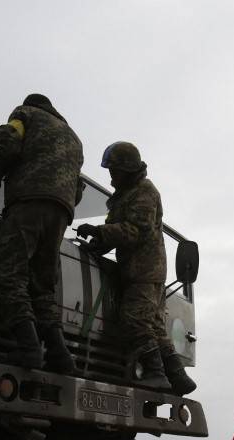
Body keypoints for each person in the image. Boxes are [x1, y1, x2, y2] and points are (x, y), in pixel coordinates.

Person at [76, 141, 195, 394]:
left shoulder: (144, 192)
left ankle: (155, 374)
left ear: (128, 169)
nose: (112, 176)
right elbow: (116, 230)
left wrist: (100, 231)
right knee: (152, 326)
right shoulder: (123, 195)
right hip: (139, 270)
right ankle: (178, 377)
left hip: (145, 270)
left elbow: (135, 231)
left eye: (115, 170)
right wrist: (98, 243)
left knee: (133, 319)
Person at [0, 93, 83, 375]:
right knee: (42, 287)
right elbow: (78, 188)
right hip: (61, 212)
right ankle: (60, 356)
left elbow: (8, 143)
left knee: (9, 274)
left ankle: (28, 348)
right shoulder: (73, 139)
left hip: (28, 203)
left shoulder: (25, 114)